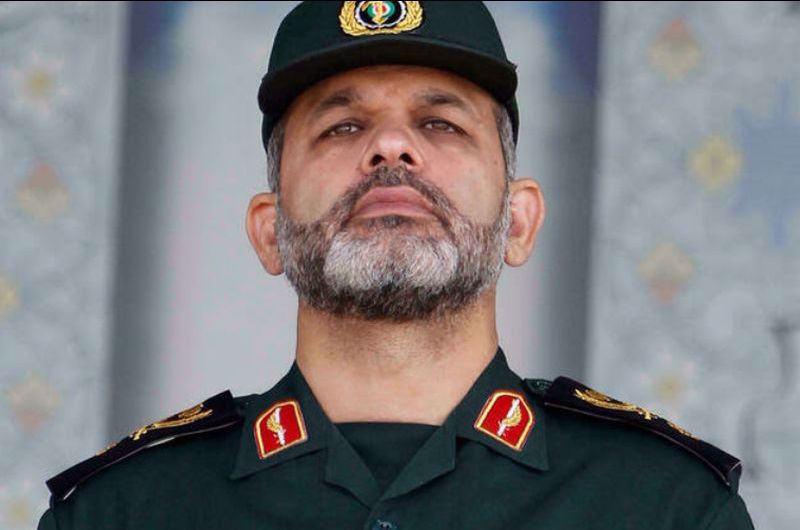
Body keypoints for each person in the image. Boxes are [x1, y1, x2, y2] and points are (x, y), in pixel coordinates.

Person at [38, 2, 755, 529]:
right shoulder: (120, 512)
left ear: (519, 221)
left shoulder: (667, 507)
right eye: (342, 126)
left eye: (440, 123)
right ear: (268, 232)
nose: (390, 147)